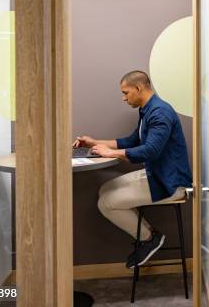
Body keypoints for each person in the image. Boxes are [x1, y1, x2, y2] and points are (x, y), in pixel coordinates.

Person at [73, 70, 192, 268]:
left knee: (106, 203)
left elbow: (150, 151)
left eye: (126, 93)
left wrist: (110, 153)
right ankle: (148, 235)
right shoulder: (147, 109)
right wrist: (94, 143)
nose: (123, 98)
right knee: (104, 189)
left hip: (171, 183)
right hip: (156, 174)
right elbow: (132, 141)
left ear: (138, 88)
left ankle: (148, 238)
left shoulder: (160, 113)